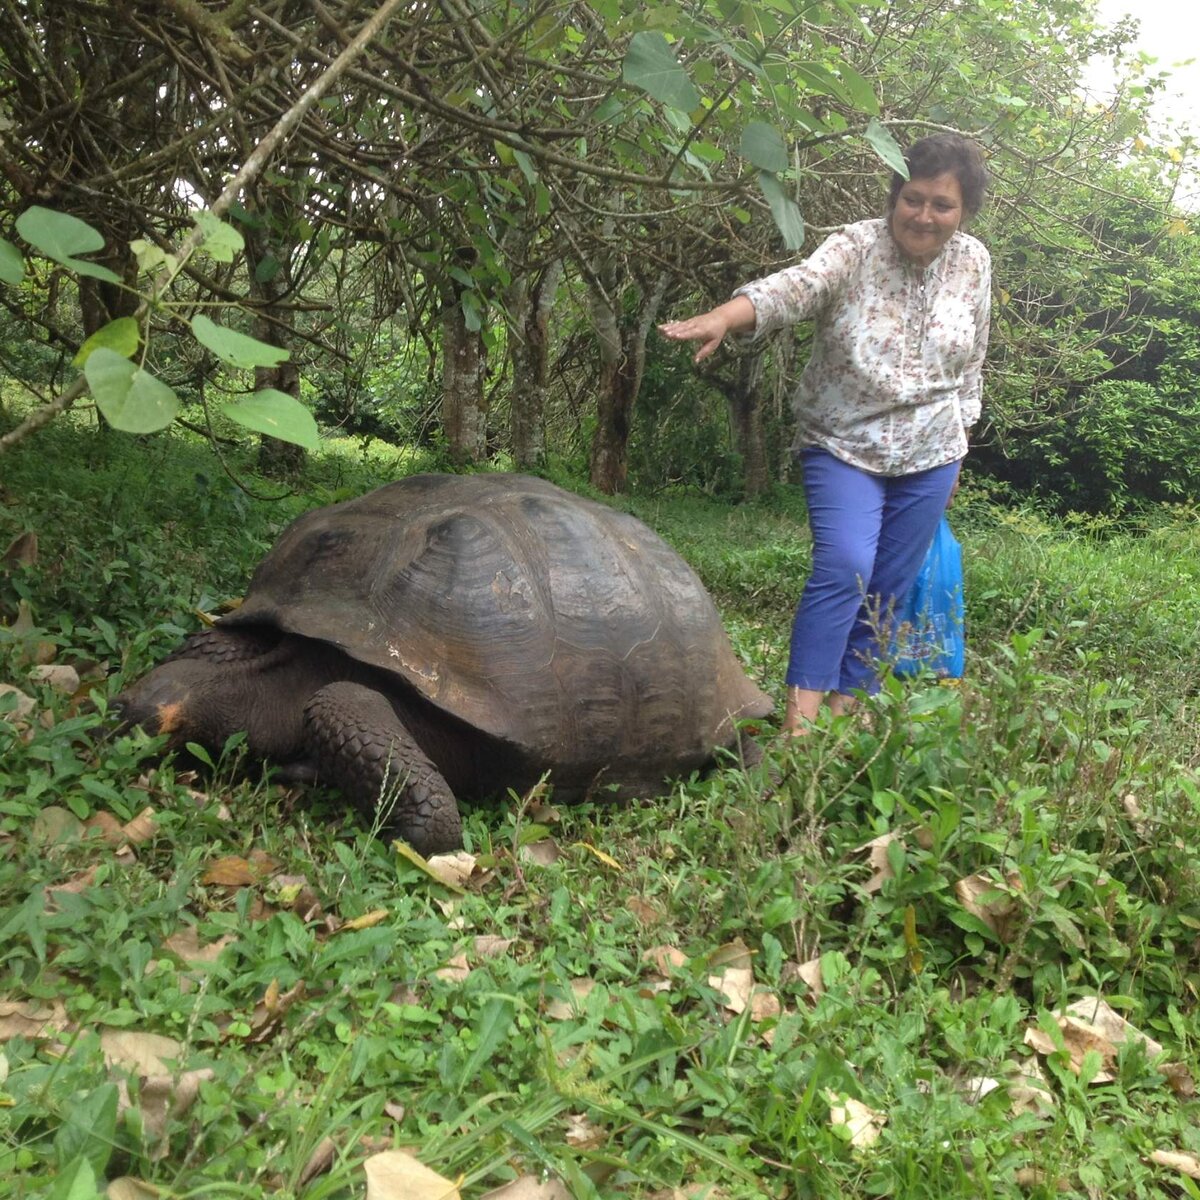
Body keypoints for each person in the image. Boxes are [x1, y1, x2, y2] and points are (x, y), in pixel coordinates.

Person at [658, 133, 991, 736]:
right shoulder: (856, 248)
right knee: (845, 566)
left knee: (888, 589)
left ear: (963, 211)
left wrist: (960, 440)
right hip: (844, 443)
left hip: (933, 452)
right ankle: (799, 729)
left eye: (942, 205)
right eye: (913, 199)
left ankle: (843, 724)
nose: (925, 216)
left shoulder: (974, 263)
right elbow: (796, 288)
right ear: (895, 195)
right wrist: (726, 316)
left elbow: (973, 363)